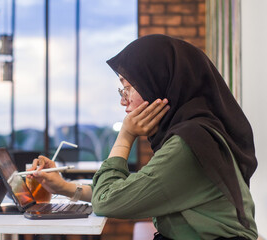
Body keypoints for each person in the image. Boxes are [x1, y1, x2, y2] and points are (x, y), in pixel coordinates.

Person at [28, 34, 258, 239]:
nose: (123, 100)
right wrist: (63, 187)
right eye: (122, 90)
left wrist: (126, 136)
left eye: (128, 87)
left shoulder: (190, 144)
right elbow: (129, 189)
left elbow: (107, 202)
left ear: (158, 84)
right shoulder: (198, 133)